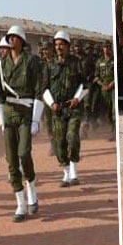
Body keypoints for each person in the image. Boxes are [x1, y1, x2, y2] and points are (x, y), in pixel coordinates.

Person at [0, 25, 47, 222]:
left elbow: (39, 90)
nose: (11, 39)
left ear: (21, 41)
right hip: (9, 114)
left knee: (24, 153)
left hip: (26, 114)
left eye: (14, 37)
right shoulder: (0, 66)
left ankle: (31, 187)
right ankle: (20, 204)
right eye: (9, 37)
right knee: (12, 161)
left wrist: (36, 119)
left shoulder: (31, 62)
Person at [44, 31, 88, 187]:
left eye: (61, 44)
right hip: (58, 109)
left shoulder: (76, 63)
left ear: (68, 46)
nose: (58, 47)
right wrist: (51, 103)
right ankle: (66, 174)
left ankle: (74, 172)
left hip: (73, 107)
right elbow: (44, 88)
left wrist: (77, 98)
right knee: (59, 141)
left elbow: (85, 85)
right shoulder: (49, 65)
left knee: (72, 136)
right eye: (56, 45)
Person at [95, 43, 116, 142]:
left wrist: (111, 84)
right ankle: (112, 132)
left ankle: (115, 133)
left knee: (114, 111)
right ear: (102, 49)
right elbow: (96, 77)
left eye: (108, 47)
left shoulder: (114, 60)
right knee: (108, 113)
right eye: (105, 47)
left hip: (113, 88)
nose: (106, 49)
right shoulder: (99, 61)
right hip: (104, 90)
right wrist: (102, 85)